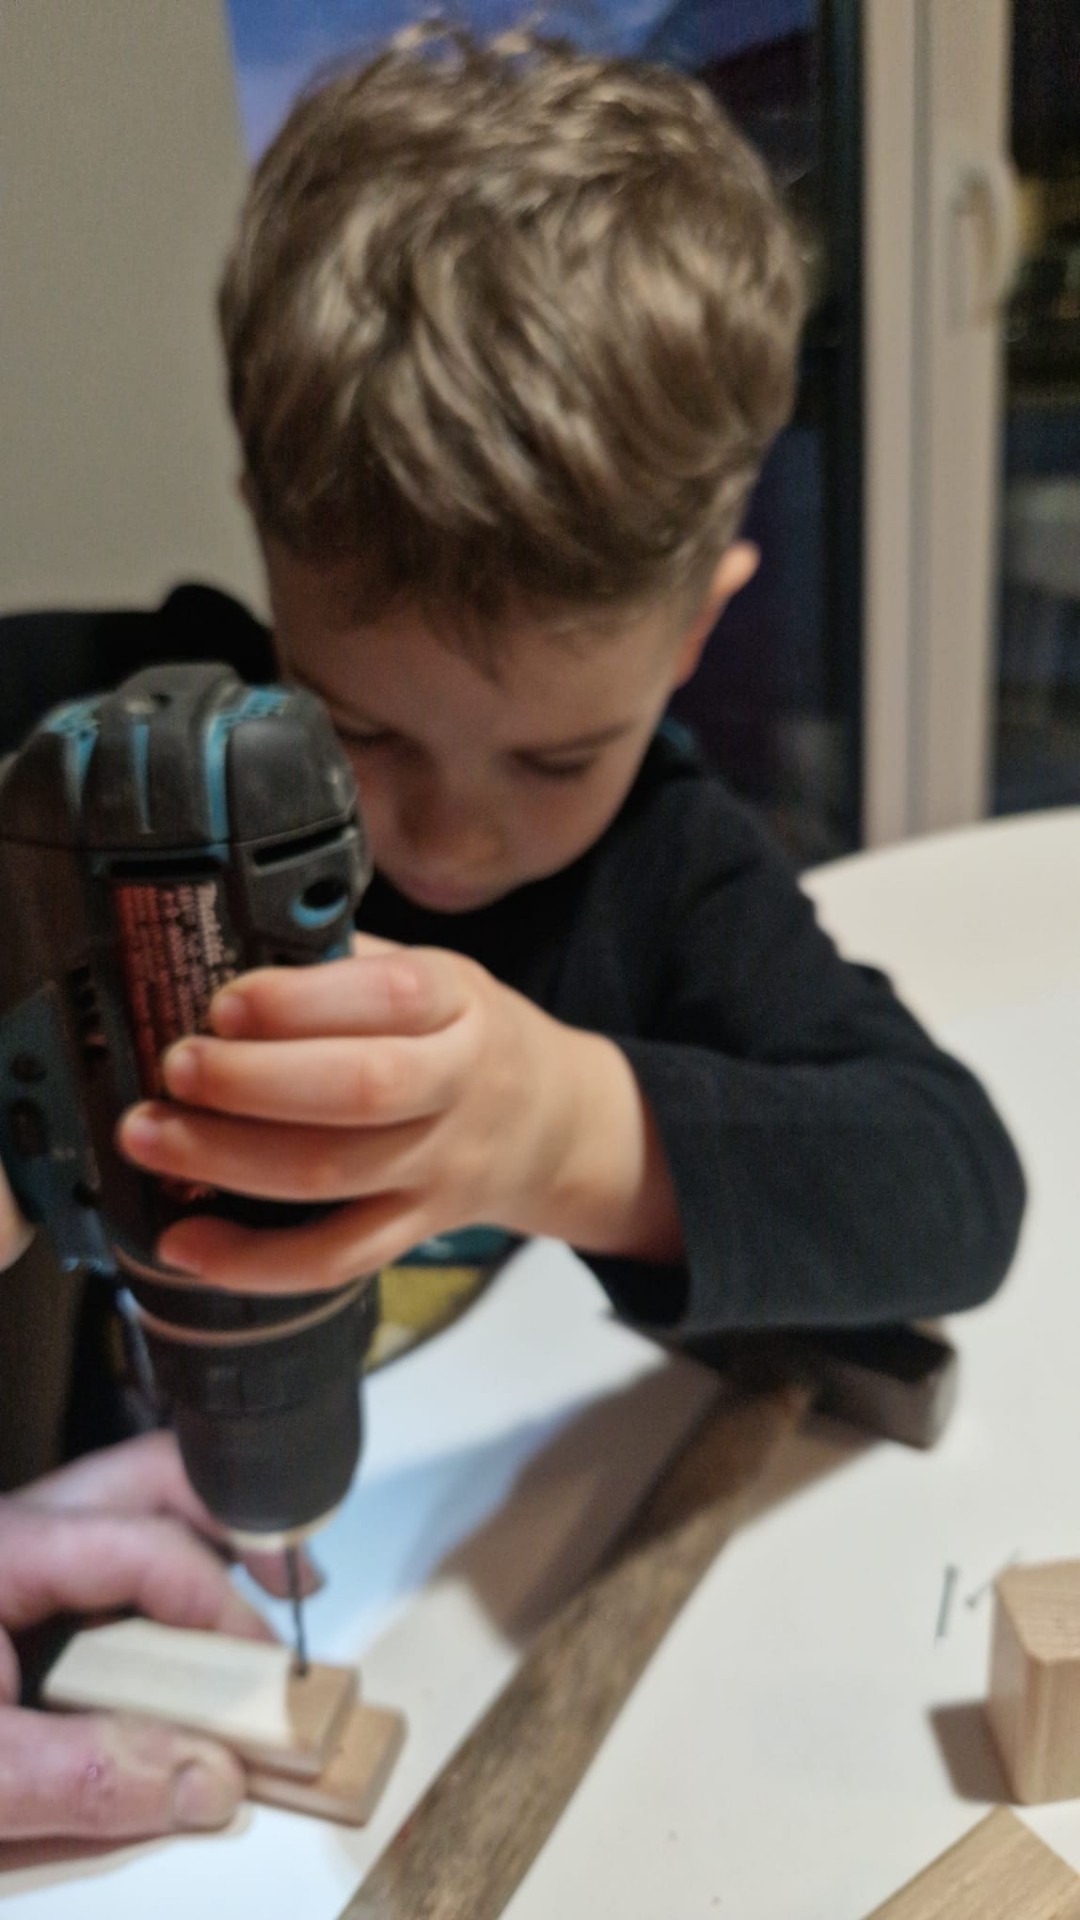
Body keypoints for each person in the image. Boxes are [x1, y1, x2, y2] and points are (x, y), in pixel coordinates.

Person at [0, 24, 1025, 1838]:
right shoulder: (104, 798)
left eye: (557, 755)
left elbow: (954, 1189)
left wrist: (565, 1130)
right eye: (361, 729)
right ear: (271, 558)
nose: (451, 836)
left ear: (697, 629)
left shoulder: (667, 874)